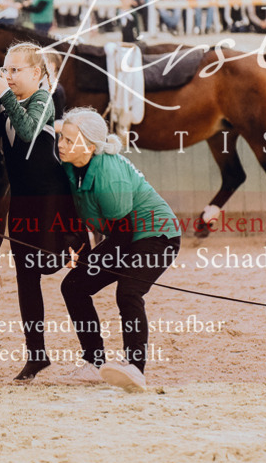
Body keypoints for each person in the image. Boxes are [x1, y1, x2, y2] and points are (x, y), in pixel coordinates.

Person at [0, 44, 83, 383]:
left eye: (16, 70)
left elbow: (28, 131)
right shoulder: (6, 96)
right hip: (22, 204)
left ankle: (94, 354)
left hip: (55, 202)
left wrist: (3, 93)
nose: (9, 76)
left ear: (37, 74)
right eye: (7, 69)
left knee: (66, 271)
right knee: (27, 279)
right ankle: (36, 355)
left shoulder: (44, 100)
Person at [56, 108, 181, 393]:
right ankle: (94, 363)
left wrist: (91, 260)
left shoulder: (109, 176)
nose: (61, 144)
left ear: (90, 147)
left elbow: (122, 233)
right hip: (126, 234)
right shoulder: (71, 164)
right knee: (73, 286)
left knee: (129, 292)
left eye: (69, 140)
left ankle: (135, 367)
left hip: (157, 235)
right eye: (61, 138)